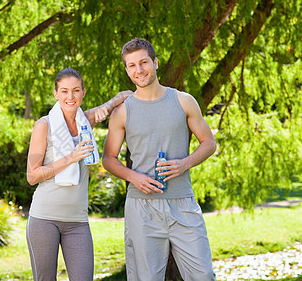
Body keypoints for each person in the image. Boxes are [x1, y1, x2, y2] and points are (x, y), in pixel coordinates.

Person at [102, 38, 217, 281]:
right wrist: (134, 177)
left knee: (203, 275)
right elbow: (109, 159)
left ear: (155, 62)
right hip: (141, 206)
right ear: (127, 70)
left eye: (143, 62)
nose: (139, 70)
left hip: (182, 201)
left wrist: (184, 163)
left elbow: (209, 143)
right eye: (131, 65)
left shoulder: (183, 100)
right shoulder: (122, 111)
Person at [26, 67, 131, 281]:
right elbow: (32, 175)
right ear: (55, 94)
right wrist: (71, 157)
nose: (70, 96)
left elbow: (107, 108)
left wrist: (122, 97)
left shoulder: (86, 121)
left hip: (77, 221)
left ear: (83, 93)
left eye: (75, 90)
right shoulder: (43, 126)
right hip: (44, 219)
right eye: (64, 91)